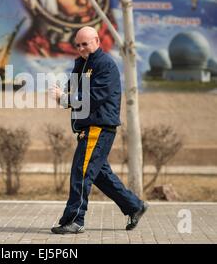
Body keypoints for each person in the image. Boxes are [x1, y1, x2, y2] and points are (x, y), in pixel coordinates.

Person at [50, 26, 149, 234]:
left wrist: (64, 98)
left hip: (98, 127)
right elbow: (72, 93)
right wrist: (62, 94)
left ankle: (75, 220)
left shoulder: (104, 65)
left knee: (81, 172)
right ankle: (134, 206)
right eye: (77, 45)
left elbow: (92, 99)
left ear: (97, 41)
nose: (81, 48)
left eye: (85, 43)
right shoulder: (84, 64)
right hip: (89, 128)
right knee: (100, 175)